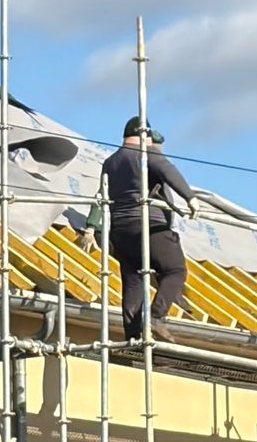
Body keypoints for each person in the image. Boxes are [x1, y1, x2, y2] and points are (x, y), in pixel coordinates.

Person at [82, 117, 198, 343]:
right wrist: (190, 198)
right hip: (150, 225)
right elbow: (168, 170)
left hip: (121, 231)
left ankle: (133, 338)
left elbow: (101, 196)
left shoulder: (110, 162)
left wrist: (90, 226)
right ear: (144, 135)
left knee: (133, 282)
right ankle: (156, 316)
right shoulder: (145, 155)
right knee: (174, 270)